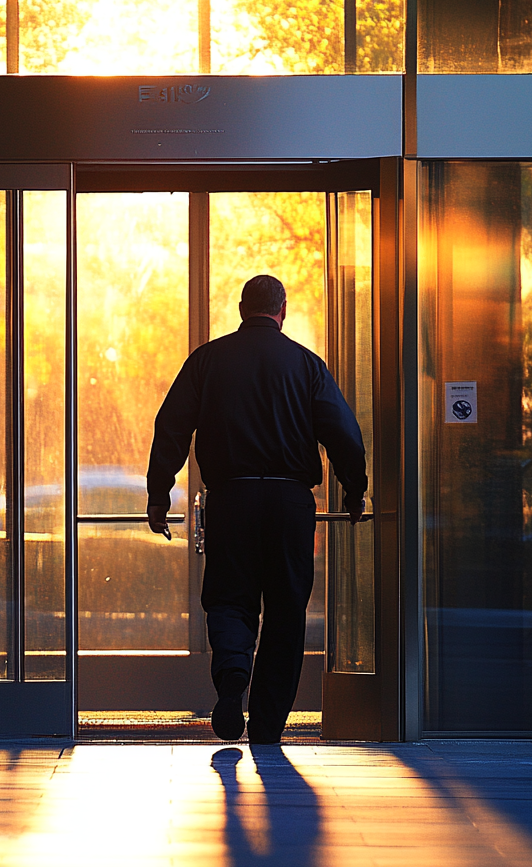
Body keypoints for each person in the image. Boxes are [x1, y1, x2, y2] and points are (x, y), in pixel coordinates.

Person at [145, 274, 367, 744]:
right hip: (290, 502)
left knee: (229, 599)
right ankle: (267, 726)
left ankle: (231, 678)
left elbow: (171, 428)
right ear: (281, 309)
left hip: (232, 497)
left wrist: (159, 495)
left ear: (242, 308)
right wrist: (353, 491)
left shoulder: (208, 361)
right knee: (286, 610)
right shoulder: (307, 365)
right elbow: (344, 433)